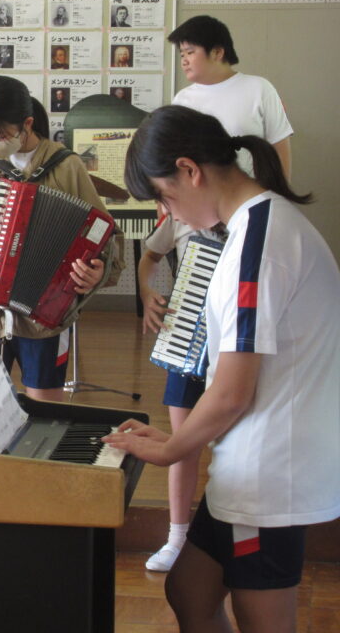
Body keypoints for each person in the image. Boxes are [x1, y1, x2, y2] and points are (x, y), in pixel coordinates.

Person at [106, 105, 339, 633]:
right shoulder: (255, 225)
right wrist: (176, 440)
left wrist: (171, 450)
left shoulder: (259, 241)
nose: (168, 213)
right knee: (189, 590)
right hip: (251, 460)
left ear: (189, 171)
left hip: (270, 471)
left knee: (262, 620)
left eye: (164, 197)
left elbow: (234, 390)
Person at [0, 76, 122, 402]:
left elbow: (106, 236)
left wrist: (98, 270)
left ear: (27, 124)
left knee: (46, 402)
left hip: (46, 315)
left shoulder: (67, 167)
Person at [137, 209, 227, 573]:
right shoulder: (178, 215)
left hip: (233, 340)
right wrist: (146, 293)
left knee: (233, 445)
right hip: (186, 337)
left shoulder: (246, 215)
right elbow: (150, 256)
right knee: (183, 441)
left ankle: (227, 534)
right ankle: (177, 537)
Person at [168, 15, 293, 178]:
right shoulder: (182, 100)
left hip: (253, 191)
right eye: (182, 55)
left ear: (217, 52)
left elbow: (280, 148)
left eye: (190, 52)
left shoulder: (260, 88)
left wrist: (279, 191)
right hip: (200, 193)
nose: (184, 61)